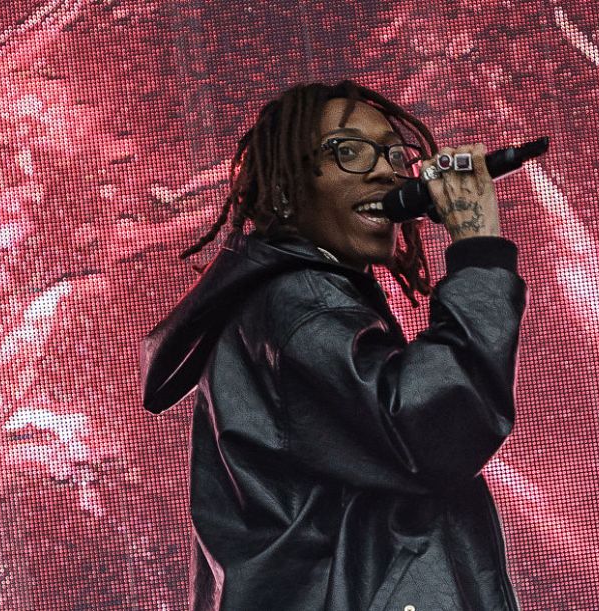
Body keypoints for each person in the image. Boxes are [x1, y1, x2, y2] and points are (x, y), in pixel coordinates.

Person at [139, 80, 526, 611]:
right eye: (348, 151)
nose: (386, 171)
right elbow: (434, 428)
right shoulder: (301, 306)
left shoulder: (290, 301)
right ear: (284, 191)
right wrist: (478, 249)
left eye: (395, 155)